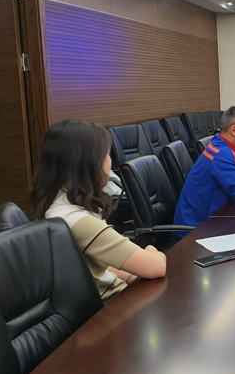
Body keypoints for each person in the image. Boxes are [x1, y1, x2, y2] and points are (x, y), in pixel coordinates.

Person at [31, 120, 167, 301]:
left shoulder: (57, 204)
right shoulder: (78, 221)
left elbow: (100, 265)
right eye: (107, 155)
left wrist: (129, 275)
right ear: (88, 164)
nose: (110, 161)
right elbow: (156, 266)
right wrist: (151, 250)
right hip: (111, 311)